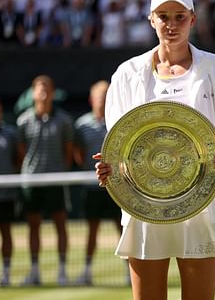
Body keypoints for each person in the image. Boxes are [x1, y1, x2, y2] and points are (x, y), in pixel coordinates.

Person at [93, 0, 215, 300]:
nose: (171, 25)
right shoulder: (126, 73)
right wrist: (111, 166)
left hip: (202, 200)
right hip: (143, 203)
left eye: (179, 17)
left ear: (193, 19)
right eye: (163, 17)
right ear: (151, 19)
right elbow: (117, 137)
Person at [17, 75, 74, 286]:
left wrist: (59, 171)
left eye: (47, 88)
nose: (43, 92)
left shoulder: (64, 120)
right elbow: (22, 153)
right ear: (33, 93)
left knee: (61, 224)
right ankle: (34, 271)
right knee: (33, 225)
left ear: (52, 92)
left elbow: (68, 152)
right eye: (39, 88)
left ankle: (62, 271)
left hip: (56, 180)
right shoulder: (23, 121)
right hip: (31, 182)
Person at [73, 80, 125, 286]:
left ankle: (130, 271)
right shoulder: (81, 125)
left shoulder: (119, 122)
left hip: (117, 187)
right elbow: (77, 153)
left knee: (124, 230)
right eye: (99, 97)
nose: (102, 101)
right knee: (91, 229)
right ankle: (86, 271)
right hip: (91, 188)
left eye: (106, 96)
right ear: (91, 99)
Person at [0, 94, 19, 287]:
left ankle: (6, 273)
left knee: (6, 233)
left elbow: (17, 159)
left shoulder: (10, 133)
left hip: (6, 195)